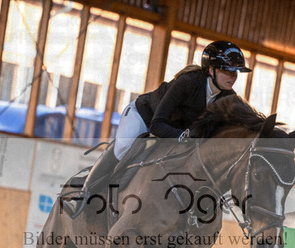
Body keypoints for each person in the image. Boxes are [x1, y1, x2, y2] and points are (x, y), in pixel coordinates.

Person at [62, 40, 252, 218]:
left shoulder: (229, 98)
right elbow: (156, 125)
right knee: (123, 148)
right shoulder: (188, 82)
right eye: (228, 71)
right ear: (211, 70)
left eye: (236, 72)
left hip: (174, 132)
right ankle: (83, 195)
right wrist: (184, 136)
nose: (233, 77)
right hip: (144, 117)